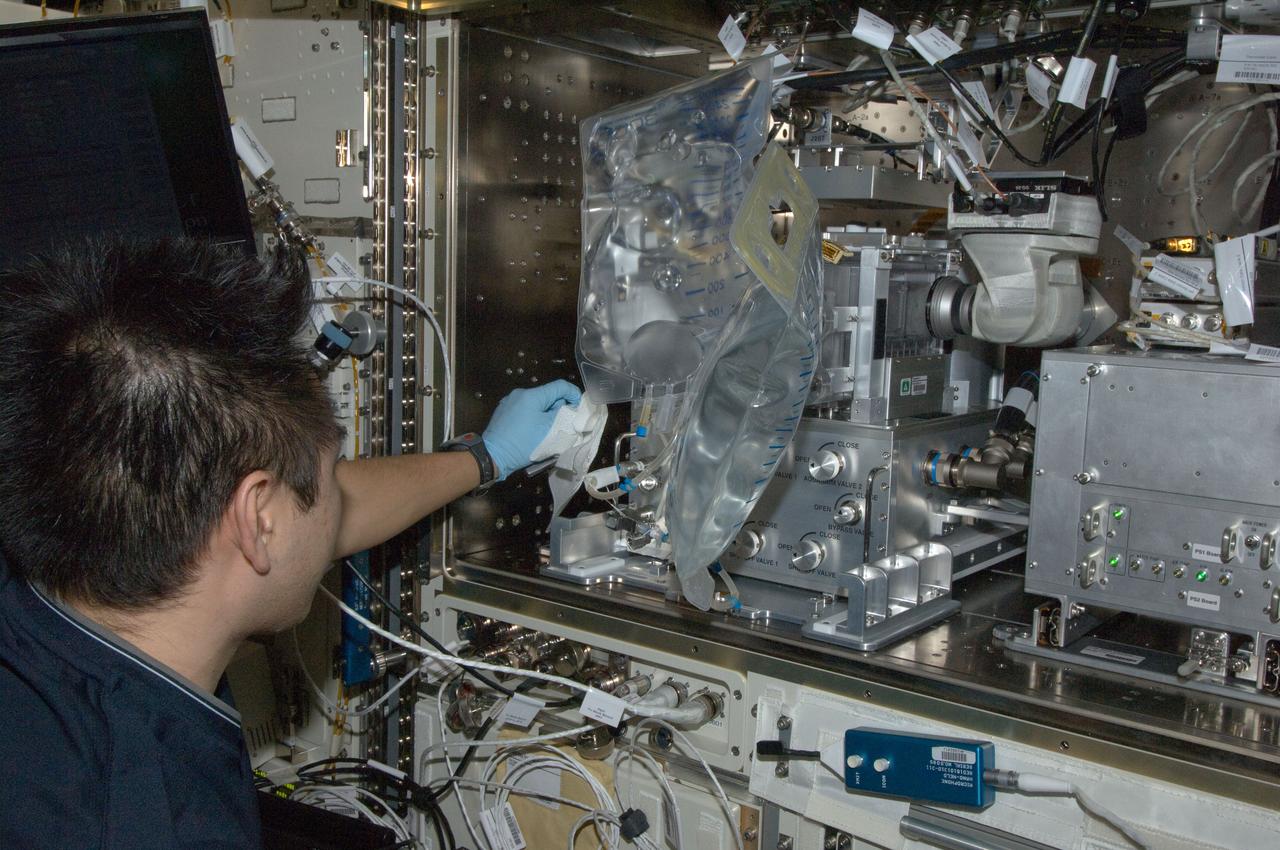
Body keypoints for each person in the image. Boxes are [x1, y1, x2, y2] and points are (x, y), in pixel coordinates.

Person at [0, 239, 581, 849]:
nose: (337, 500)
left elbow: (295, 514)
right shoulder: (158, 824)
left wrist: (484, 459)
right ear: (258, 521)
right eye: (330, 474)